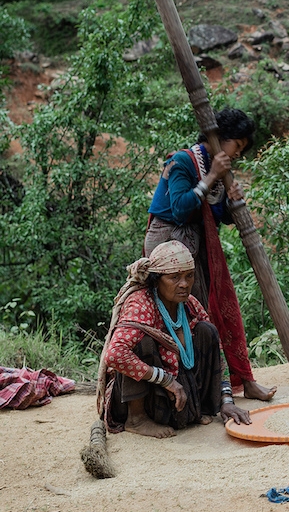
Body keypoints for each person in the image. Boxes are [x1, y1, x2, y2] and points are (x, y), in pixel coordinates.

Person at [145, 107, 275, 402]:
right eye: (237, 145)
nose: (238, 154)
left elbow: (216, 215)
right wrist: (212, 176)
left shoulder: (215, 170)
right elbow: (180, 208)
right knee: (183, 317)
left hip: (196, 249)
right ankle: (191, 390)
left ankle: (230, 383)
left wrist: (231, 201)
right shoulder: (182, 162)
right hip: (170, 250)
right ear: (220, 138)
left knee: (209, 314)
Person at [97, 241, 251, 439]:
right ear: (156, 279)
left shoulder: (189, 304)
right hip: (148, 391)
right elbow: (115, 355)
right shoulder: (141, 302)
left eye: (189, 276)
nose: (185, 284)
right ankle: (137, 419)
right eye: (174, 277)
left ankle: (198, 409)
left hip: (177, 391)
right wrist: (165, 379)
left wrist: (227, 400)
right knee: (141, 340)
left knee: (207, 331)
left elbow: (217, 351)